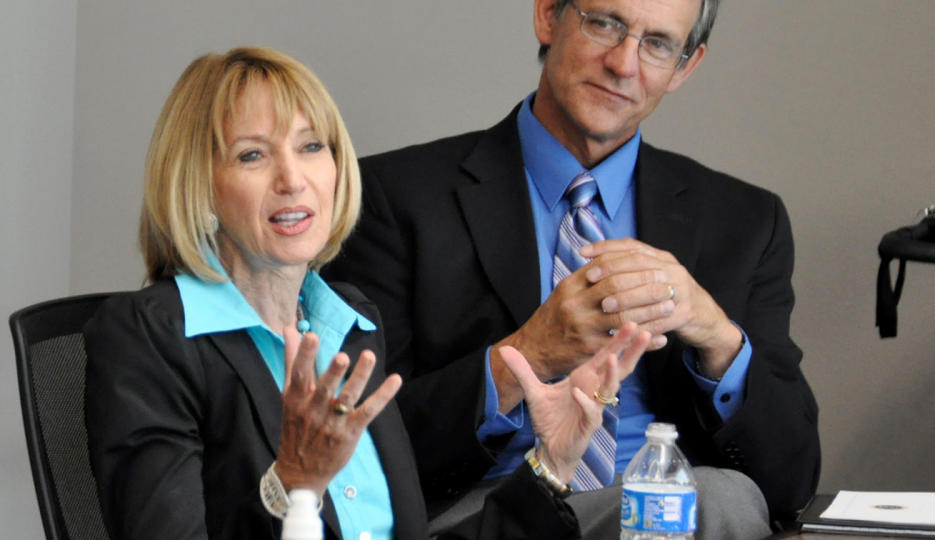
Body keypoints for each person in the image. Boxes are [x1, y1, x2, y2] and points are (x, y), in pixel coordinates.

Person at [82, 46, 656, 540]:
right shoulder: (151, 338)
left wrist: (551, 462)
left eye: (312, 147)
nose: (292, 178)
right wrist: (291, 489)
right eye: (252, 154)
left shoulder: (352, 320)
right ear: (198, 185)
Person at [322, 0, 821, 536]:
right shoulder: (393, 196)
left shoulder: (746, 222)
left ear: (685, 66)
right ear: (547, 17)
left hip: (673, 514)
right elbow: (359, 449)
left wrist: (718, 338)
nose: (624, 64)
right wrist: (527, 354)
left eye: (657, 44)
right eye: (606, 23)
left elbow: (791, 482)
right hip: (487, 514)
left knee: (714, 500)